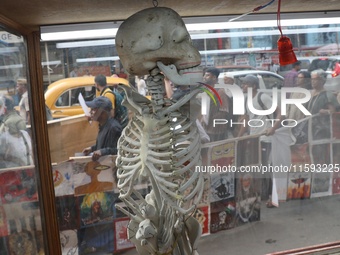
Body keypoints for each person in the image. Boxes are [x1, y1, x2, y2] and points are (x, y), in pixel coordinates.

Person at [237, 75, 283, 205]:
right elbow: (246, 121)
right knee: (256, 167)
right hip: (254, 138)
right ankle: (261, 193)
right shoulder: (247, 100)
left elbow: (280, 113)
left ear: (254, 86)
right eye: (243, 84)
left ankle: (272, 197)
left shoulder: (263, 97)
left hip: (265, 138)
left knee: (266, 168)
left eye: (245, 84)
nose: (243, 86)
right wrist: (239, 138)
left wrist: (273, 128)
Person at [82, 96, 122, 161]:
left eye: (93, 109)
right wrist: (92, 148)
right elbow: (105, 145)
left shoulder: (114, 128)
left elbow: (119, 150)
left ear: (102, 112)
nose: (90, 112)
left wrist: (102, 152)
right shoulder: (103, 125)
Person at [201, 67, 233, 142]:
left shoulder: (220, 92)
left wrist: (212, 125)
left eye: (207, 75)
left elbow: (223, 112)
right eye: (204, 75)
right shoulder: (206, 90)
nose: (204, 77)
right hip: (206, 128)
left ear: (214, 78)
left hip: (216, 131)